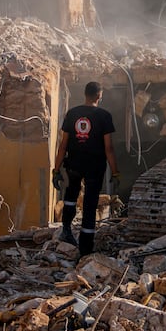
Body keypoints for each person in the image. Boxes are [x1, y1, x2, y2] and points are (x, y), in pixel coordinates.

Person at [52, 80, 118, 256]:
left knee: (71, 197)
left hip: (74, 163)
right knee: (89, 205)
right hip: (95, 167)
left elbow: (63, 145)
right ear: (99, 95)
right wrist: (116, 171)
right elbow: (108, 148)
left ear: (85, 94)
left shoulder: (72, 113)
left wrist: (56, 169)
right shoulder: (104, 116)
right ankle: (86, 248)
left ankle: (66, 230)